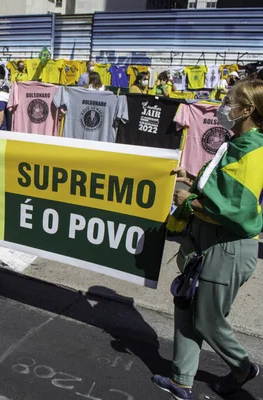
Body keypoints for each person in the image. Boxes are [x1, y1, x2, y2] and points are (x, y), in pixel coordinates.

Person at [152, 79, 263, 400]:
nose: (223, 107)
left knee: (207, 320)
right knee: (186, 307)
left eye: (230, 101)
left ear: (248, 110)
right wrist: (192, 177)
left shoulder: (254, 152)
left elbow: (237, 212)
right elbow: (222, 187)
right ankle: (181, 380)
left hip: (226, 247)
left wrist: (189, 200)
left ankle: (243, 367)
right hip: (206, 242)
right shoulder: (237, 144)